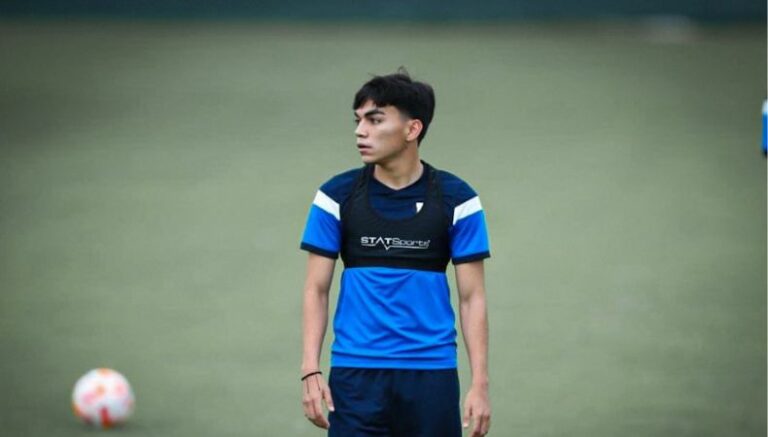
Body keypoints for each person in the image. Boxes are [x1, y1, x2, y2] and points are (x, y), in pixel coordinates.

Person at [299, 69, 491, 437]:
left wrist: (479, 384)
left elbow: (472, 298)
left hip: (432, 375)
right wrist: (310, 370)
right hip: (355, 376)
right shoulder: (335, 196)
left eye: (374, 120)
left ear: (412, 129)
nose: (360, 131)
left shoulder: (458, 200)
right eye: (358, 121)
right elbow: (316, 289)